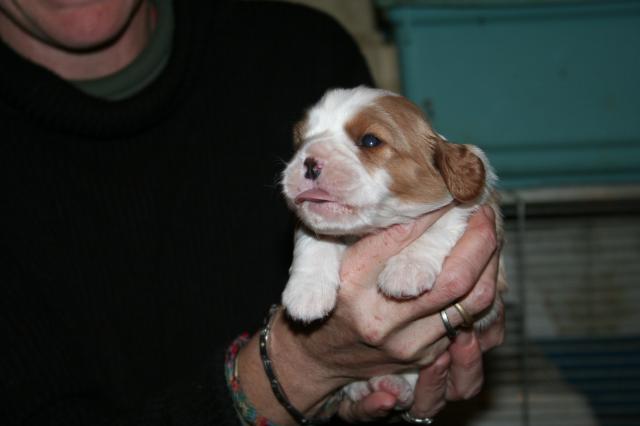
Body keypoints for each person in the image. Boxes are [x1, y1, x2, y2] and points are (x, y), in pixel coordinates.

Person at [0, 1, 504, 425]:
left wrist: (378, 400)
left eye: (366, 140)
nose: (312, 158)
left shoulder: (306, 49)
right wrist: (298, 370)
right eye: (302, 141)